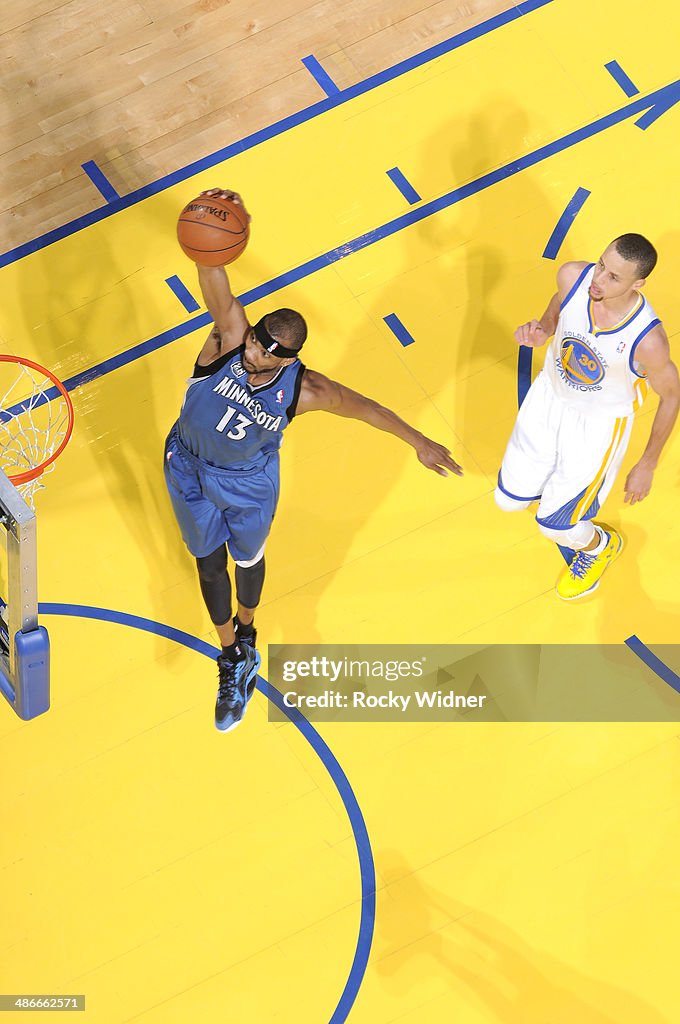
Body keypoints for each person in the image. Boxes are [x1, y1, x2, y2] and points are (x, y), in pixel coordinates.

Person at [165, 188, 463, 732]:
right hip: (186, 467)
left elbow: (366, 408)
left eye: (262, 354)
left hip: (247, 483)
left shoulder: (306, 391)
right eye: (252, 345)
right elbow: (213, 279)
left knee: (247, 562)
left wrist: (418, 441)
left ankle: (248, 631)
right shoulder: (229, 339)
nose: (251, 356)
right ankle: (232, 655)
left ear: (288, 359)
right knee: (208, 564)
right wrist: (208, 232)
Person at [495, 233, 679, 600]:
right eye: (601, 266)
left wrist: (648, 463)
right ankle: (561, 486)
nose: (598, 280)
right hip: (548, 397)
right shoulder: (573, 277)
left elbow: (672, 396)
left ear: (637, 284)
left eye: (613, 278)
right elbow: (560, 302)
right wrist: (543, 329)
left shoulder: (648, 340)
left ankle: (599, 546)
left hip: (597, 426)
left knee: (555, 525)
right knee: (508, 501)